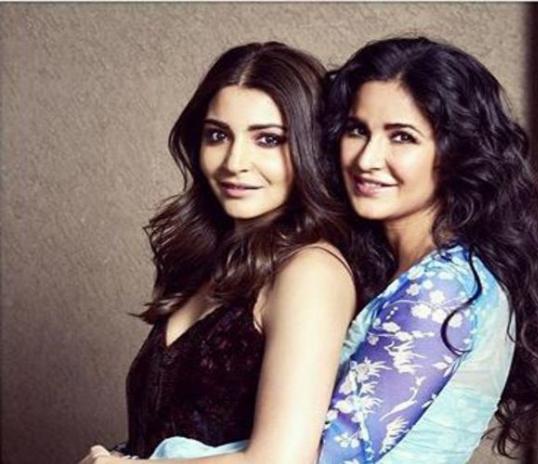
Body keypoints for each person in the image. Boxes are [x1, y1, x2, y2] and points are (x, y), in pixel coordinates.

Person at [104, 37, 538, 464]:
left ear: (458, 152)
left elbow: (317, 460)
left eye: (402, 137)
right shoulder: (401, 271)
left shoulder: (443, 288)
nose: (367, 159)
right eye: (356, 130)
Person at [78, 41, 382, 464]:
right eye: (218, 135)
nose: (234, 161)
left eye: (268, 139)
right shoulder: (207, 261)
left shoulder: (311, 270)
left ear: (311, 149)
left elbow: (280, 460)